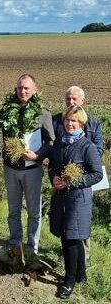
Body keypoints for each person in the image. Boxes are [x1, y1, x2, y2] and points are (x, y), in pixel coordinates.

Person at [48, 105, 102, 299]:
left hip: (78, 198)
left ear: (81, 123)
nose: (70, 124)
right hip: (60, 197)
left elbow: (97, 174)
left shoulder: (88, 146)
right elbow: (52, 166)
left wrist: (73, 181)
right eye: (67, 120)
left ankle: (68, 280)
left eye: (74, 121)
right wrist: (53, 177)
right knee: (68, 234)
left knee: (71, 236)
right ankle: (81, 274)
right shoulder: (59, 144)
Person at [0, 74, 55, 254]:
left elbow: (51, 141)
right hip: (11, 168)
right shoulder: (6, 111)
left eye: (26, 88)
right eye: (20, 88)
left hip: (32, 170)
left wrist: (37, 155)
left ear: (34, 90)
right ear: (15, 89)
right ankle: (15, 242)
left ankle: (32, 246)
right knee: (13, 209)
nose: (23, 91)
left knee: (34, 210)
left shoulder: (43, 113)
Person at [52, 86, 104, 266]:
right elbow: (54, 148)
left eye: (74, 99)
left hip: (83, 174)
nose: (71, 102)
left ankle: (84, 256)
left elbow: (98, 148)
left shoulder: (93, 122)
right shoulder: (58, 121)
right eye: (68, 99)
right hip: (63, 179)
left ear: (82, 100)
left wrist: (80, 162)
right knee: (66, 219)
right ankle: (68, 253)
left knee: (80, 217)